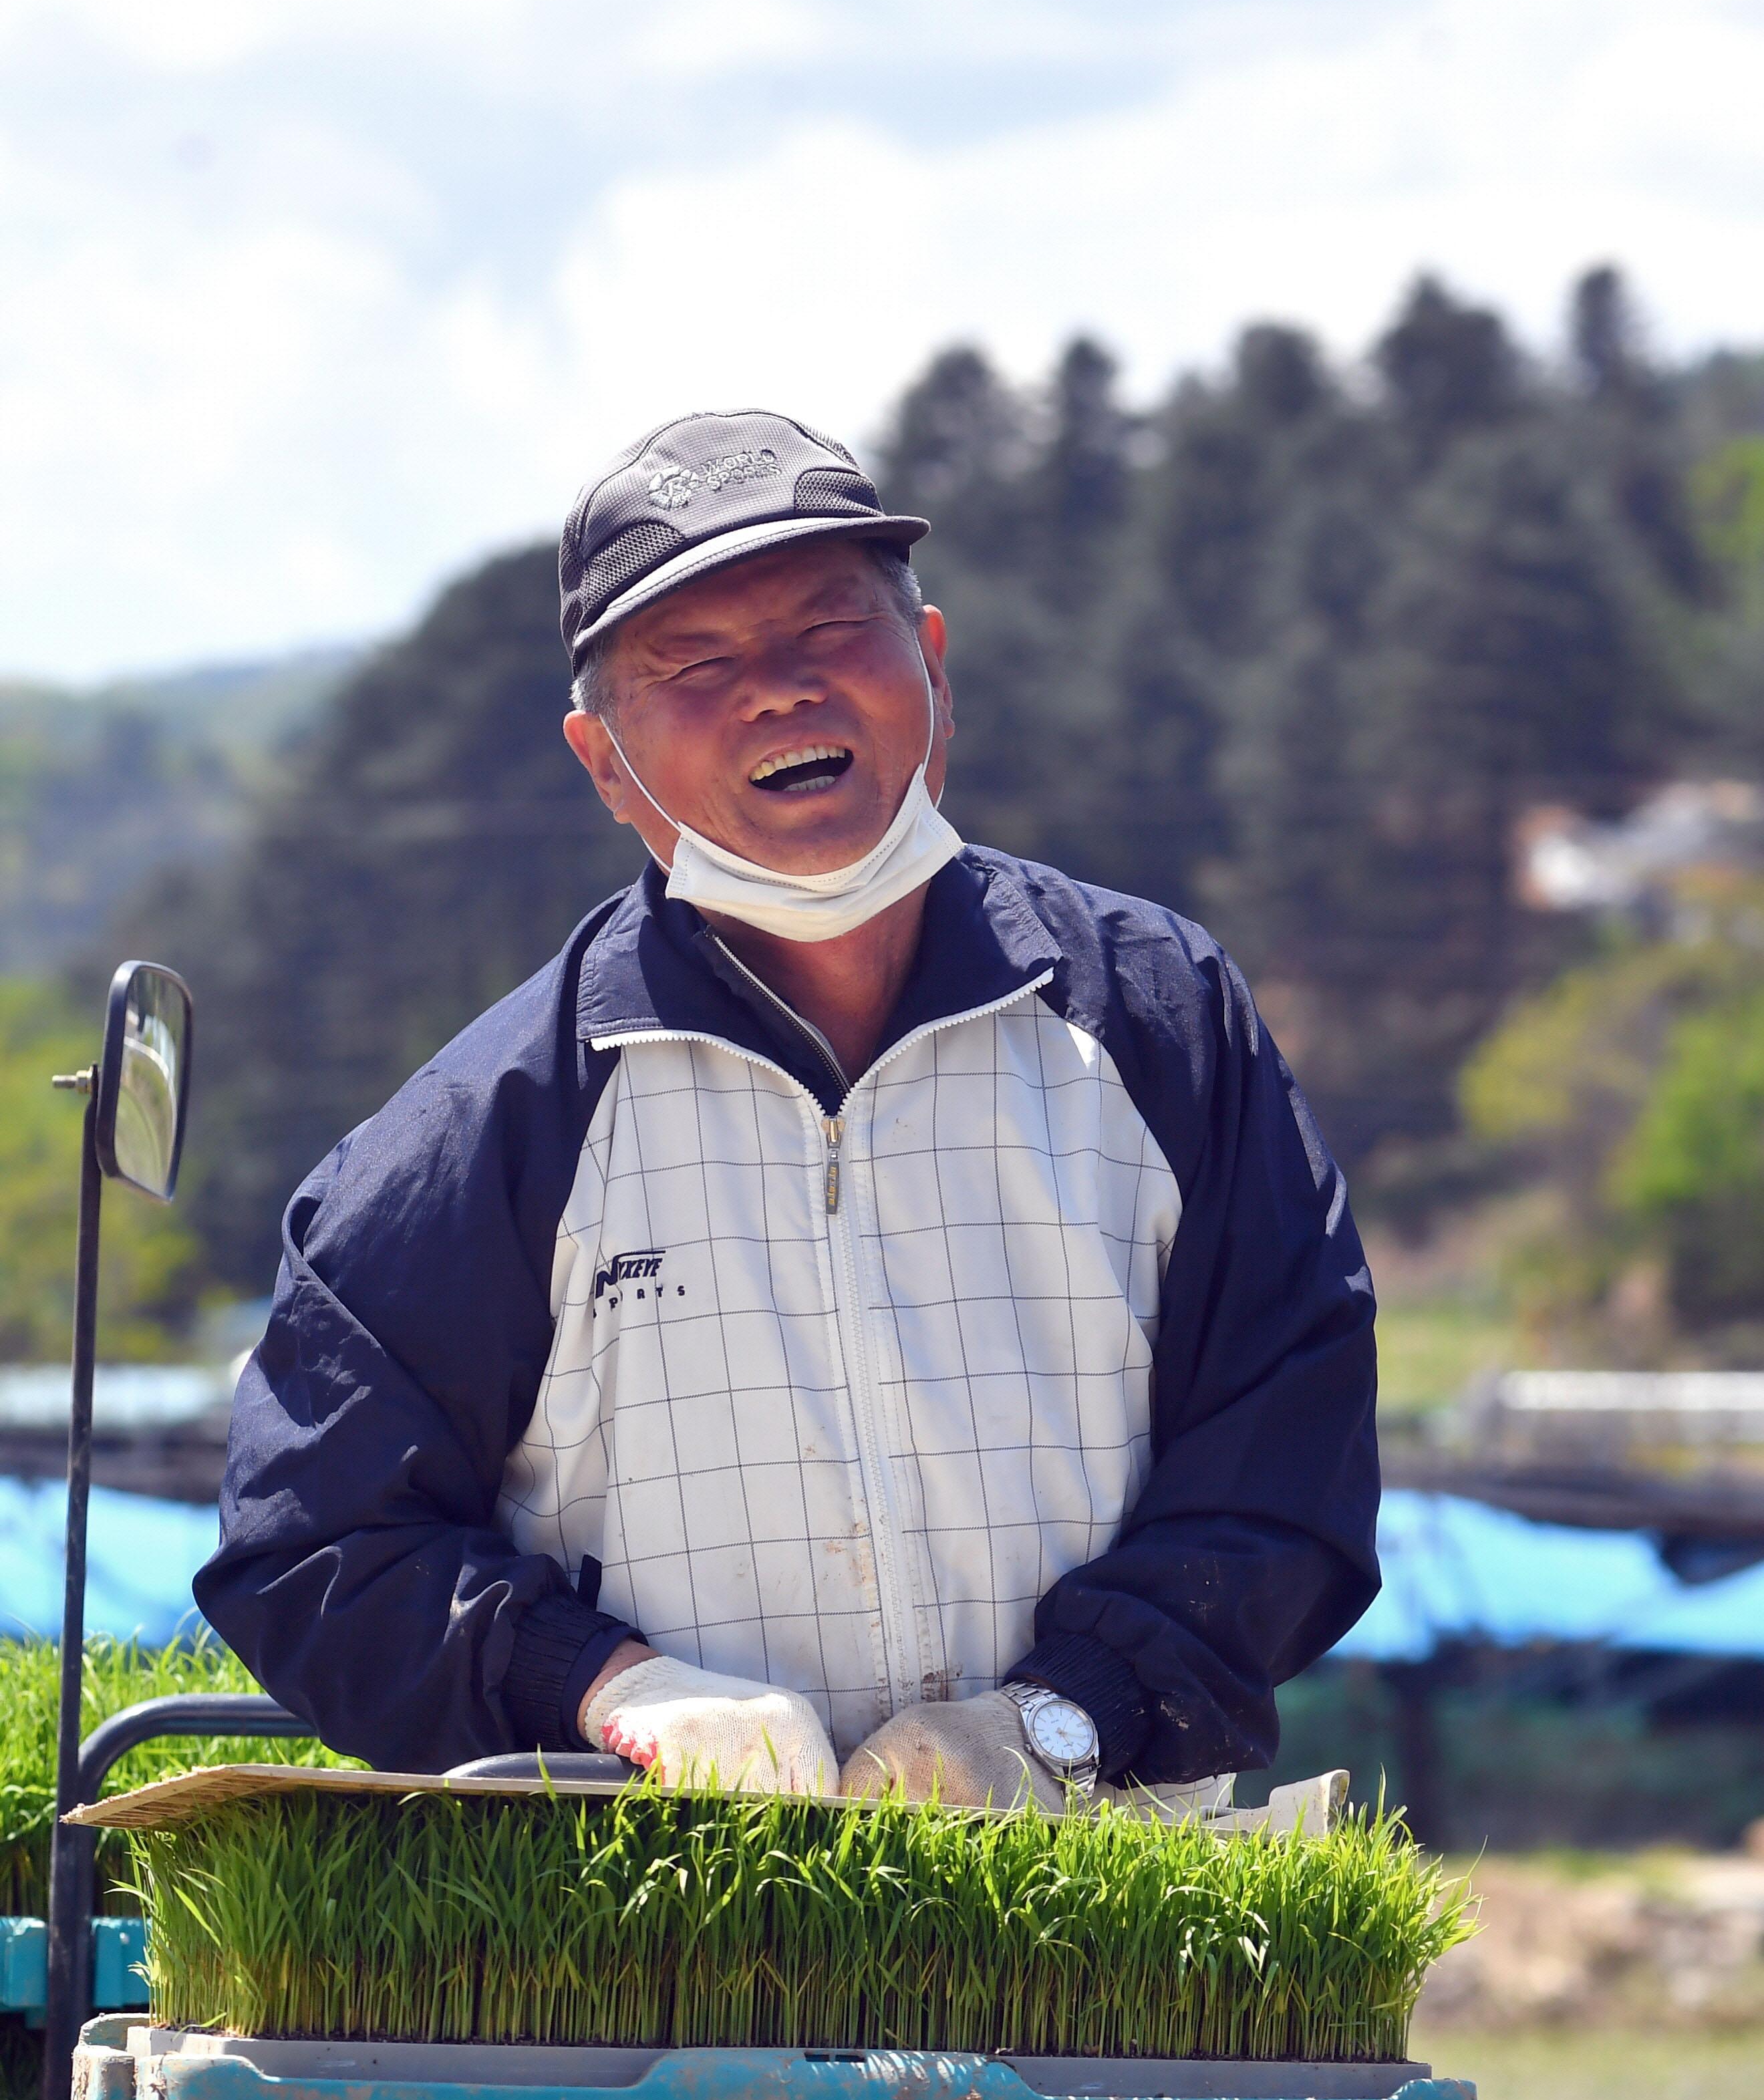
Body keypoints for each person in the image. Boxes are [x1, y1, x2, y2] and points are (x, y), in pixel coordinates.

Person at [197, 408, 1379, 1812]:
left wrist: (1066, 1719)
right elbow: (313, 1548)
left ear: (933, 671)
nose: (777, 691)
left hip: (1098, 1928)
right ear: (604, 764)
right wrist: (607, 1687)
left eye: (829, 631)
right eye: (696, 663)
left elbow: (1289, 1453)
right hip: (643, 1951)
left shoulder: (1158, 1022)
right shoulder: (494, 1127)